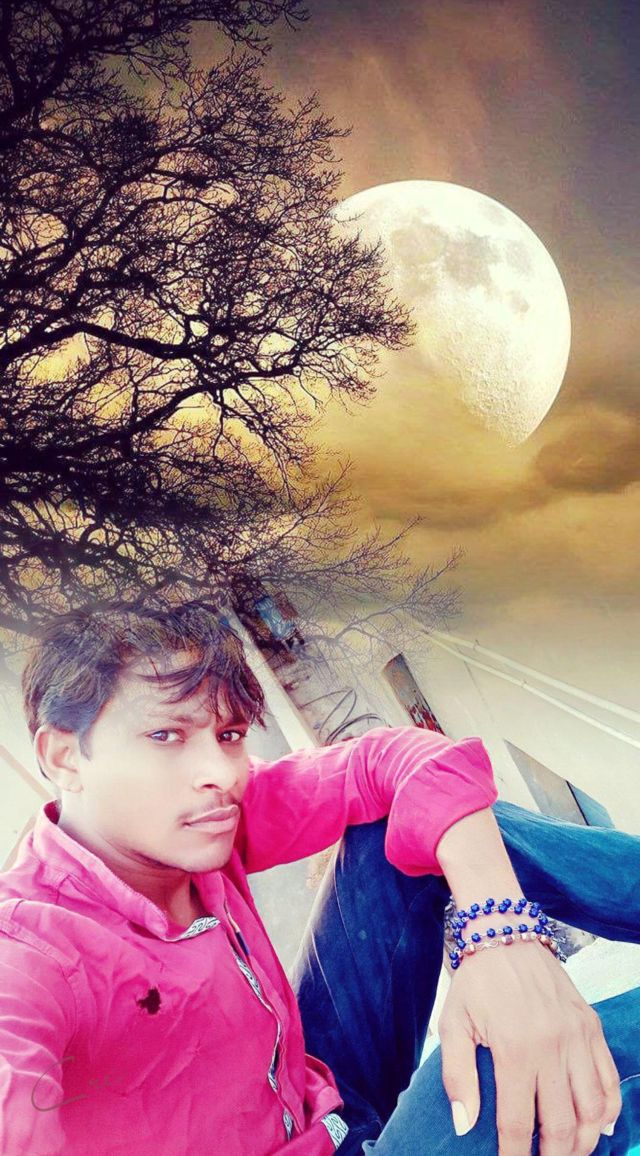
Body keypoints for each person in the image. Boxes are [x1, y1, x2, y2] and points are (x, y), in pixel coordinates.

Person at [0, 600, 637, 1156]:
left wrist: (500, 933)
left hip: (320, 1100)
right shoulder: (32, 953)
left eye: (228, 734)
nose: (220, 772)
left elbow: (396, 759)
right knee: (511, 1072)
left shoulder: (193, 821)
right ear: (64, 756)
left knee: (404, 820)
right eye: (165, 735)